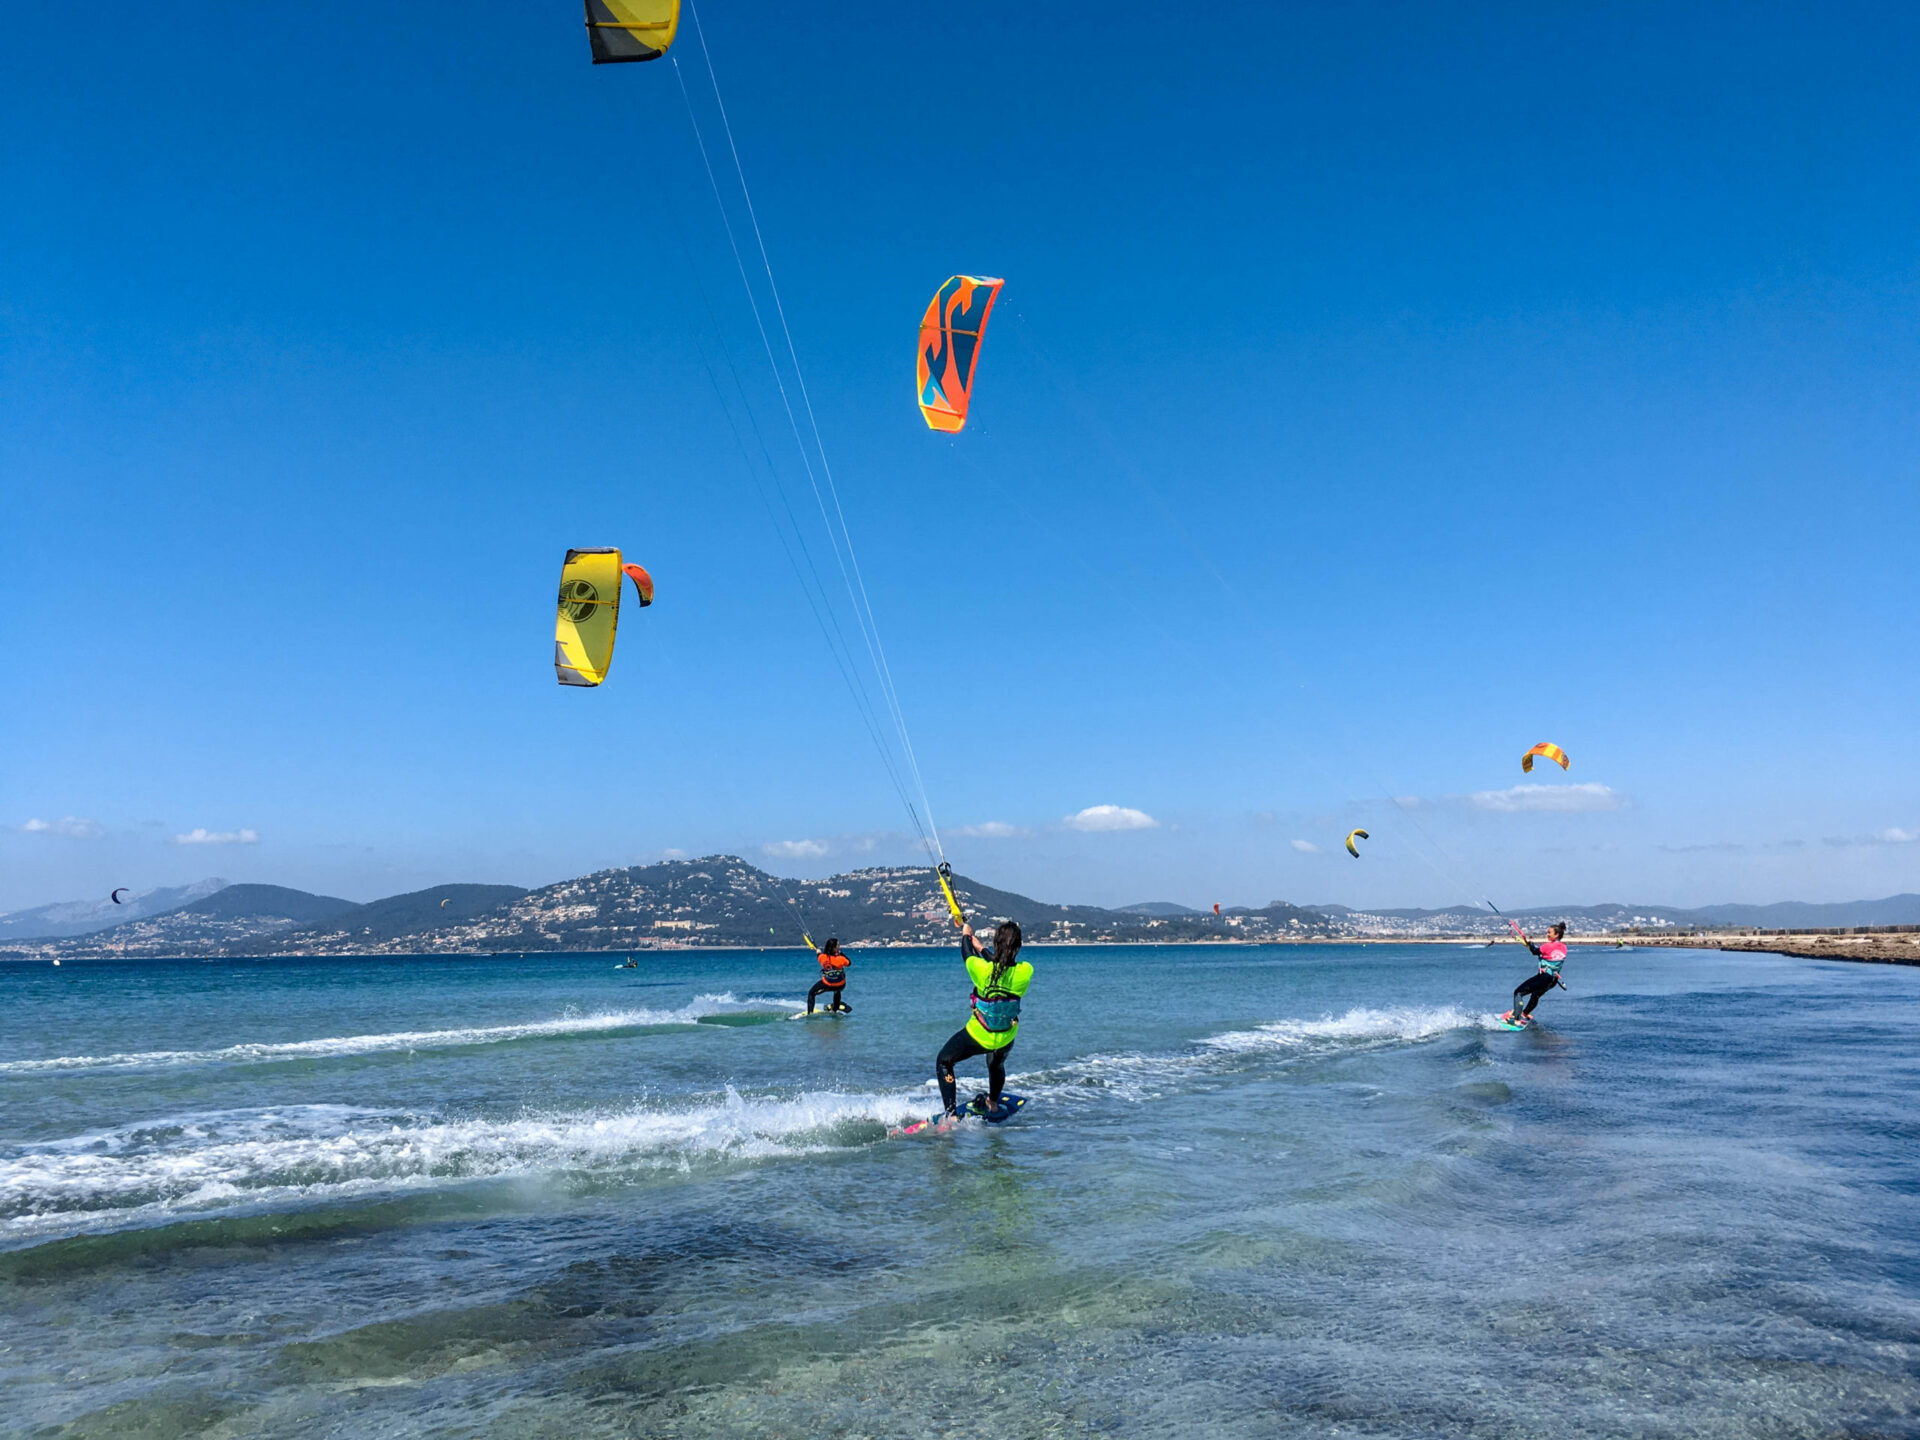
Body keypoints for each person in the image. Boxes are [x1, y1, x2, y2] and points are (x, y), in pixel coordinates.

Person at [935, 919, 1033, 1117]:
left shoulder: (980, 970)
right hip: (1005, 1036)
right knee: (996, 1064)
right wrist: (981, 948)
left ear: (996, 943)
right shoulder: (1026, 971)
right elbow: (1002, 964)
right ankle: (993, 1102)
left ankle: (951, 1115)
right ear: (1019, 946)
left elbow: (966, 953)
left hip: (978, 1035)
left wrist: (965, 934)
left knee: (944, 1061)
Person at [1503, 921, 1568, 1027]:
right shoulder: (1564, 947)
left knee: (1518, 993)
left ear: (1556, 935)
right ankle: (1524, 1013)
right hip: (1553, 980)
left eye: (1549, 933)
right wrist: (1530, 945)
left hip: (1544, 977)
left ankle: (1516, 1018)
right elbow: (1546, 954)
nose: (1547, 934)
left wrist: (1530, 944)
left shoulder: (1547, 946)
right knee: (1535, 995)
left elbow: (1535, 952)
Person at [805, 938, 851, 1014]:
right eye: (838, 945)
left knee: (811, 992)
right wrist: (841, 953)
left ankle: (810, 1013)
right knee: (837, 990)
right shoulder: (841, 959)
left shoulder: (822, 957)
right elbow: (849, 963)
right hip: (840, 985)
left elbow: (819, 955)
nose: (839, 946)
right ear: (834, 948)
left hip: (827, 984)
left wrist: (818, 952)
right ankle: (835, 1011)